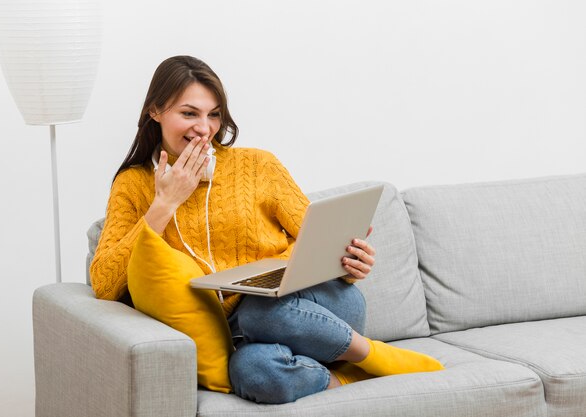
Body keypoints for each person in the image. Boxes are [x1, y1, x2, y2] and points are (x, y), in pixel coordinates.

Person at [90, 55, 443, 404]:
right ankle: (345, 374)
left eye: (213, 115)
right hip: (243, 335)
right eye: (189, 113)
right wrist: (164, 204)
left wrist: (350, 262)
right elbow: (105, 284)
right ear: (155, 111)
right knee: (252, 372)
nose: (204, 128)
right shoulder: (133, 184)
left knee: (260, 309)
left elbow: (318, 241)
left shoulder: (258, 165)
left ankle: (375, 355)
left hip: (316, 306)